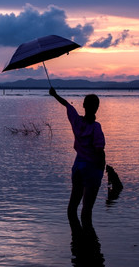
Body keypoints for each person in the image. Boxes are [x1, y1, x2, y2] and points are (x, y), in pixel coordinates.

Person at [49, 87, 105, 236]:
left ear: (84, 106)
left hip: (78, 167)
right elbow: (99, 150)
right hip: (91, 169)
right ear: (97, 108)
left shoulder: (77, 121)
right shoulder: (96, 127)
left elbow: (66, 104)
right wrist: (102, 167)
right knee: (87, 209)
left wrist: (55, 94)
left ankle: (76, 242)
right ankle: (88, 245)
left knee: (73, 206)